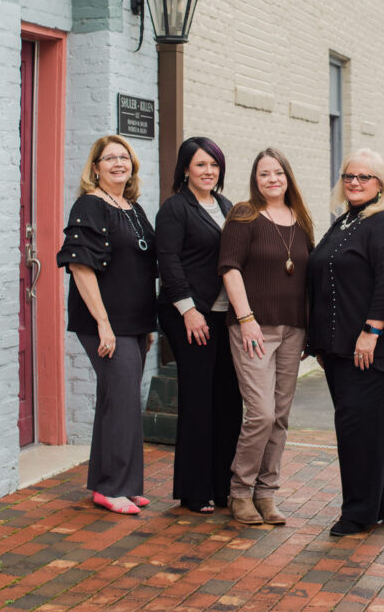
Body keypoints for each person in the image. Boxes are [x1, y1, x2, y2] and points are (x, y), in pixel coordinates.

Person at [307, 148, 384, 537]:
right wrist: (322, 342)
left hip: (382, 346)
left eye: (364, 177)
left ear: (380, 184)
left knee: (357, 426)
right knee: (370, 424)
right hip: (342, 348)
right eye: (349, 176)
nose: (355, 183)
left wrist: (371, 331)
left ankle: (359, 514)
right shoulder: (346, 221)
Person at [56, 135, 156, 515]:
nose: (118, 163)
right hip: (105, 322)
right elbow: (80, 266)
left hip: (134, 322)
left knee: (117, 399)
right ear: (95, 168)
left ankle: (111, 484)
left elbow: (140, 268)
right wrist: (103, 323)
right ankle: (114, 487)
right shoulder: (90, 205)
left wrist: (146, 325)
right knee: (124, 401)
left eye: (124, 157)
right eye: (109, 158)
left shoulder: (133, 208)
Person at [218, 147, 314, 526]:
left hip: (293, 329)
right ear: (255, 180)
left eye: (278, 173)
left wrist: (309, 329)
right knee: (261, 413)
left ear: (288, 177)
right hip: (254, 328)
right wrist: (246, 319)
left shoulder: (301, 219)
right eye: (264, 174)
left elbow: (307, 276)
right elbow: (229, 268)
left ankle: (266, 493)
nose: (272, 179)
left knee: (281, 416)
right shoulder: (244, 215)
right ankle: (240, 491)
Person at [156, 136, 243, 514]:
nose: (209, 171)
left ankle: (223, 487)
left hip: (224, 316)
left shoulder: (226, 206)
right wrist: (188, 311)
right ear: (186, 169)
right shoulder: (175, 208)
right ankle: (194, 490)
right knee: (198, 400)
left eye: (214, 165)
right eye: (201, 164)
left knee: (228, 399)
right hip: (190, 315)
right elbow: (168, 261)